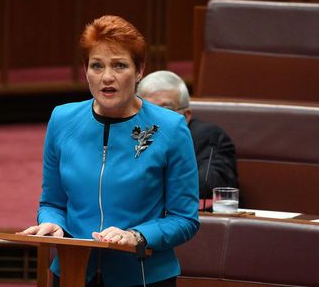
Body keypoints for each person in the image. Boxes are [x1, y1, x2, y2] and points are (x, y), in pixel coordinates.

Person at [18, 16, 199, 286]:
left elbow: (184, 218)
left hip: (142, 275)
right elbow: (52, 203)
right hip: (72, 273)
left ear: (139, 71)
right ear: (86, 70)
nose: (107, 77)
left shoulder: (171, 128)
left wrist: (138, 235)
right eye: (97, 66)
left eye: (119, 65)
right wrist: (54, 225)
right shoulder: (62, 119)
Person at [137, 70, 238, 200]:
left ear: (186, 116)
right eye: (149, 109)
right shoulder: (132, 136)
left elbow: (206, 186)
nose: (156, 117)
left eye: (165, 110)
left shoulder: (209, 137)